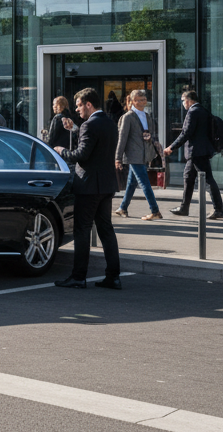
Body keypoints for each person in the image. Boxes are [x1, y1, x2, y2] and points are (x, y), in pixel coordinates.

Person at [54, 87, 122, 290]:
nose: (77, 110)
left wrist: (62, 151)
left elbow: (82, 155)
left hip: (89, 186)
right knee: (106, 230)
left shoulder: (89, 125)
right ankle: (114, 277)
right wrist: (75, 129)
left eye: (78, 106)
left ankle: (78, 276)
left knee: (82, 231)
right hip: (106, 185)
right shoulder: (109, 122)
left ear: (88, 104)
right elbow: (97, 147)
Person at [165, 90, 223, 219]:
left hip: (196, 152)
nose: (182, 104)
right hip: (201, 151)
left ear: (189, 100)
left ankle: (219, 210)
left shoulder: (192, 112)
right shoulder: (204, 111)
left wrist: (172, 147)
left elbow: (186, 133)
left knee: (208, 181)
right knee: (188, 177)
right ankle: (184, 208)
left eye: (183, 101)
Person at [114, 89, 162, 220]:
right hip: (133, 156)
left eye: (144, 99)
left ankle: (123, 208)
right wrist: (118, 158)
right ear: (133, 102)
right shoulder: (127, 117)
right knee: (145, 183)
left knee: (131, 183)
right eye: (138, 100)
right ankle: (155, 210)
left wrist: (149, 137)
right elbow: (122, 138)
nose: (142, 102)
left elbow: (150, 134)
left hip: (144, 155)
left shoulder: (147, 116)